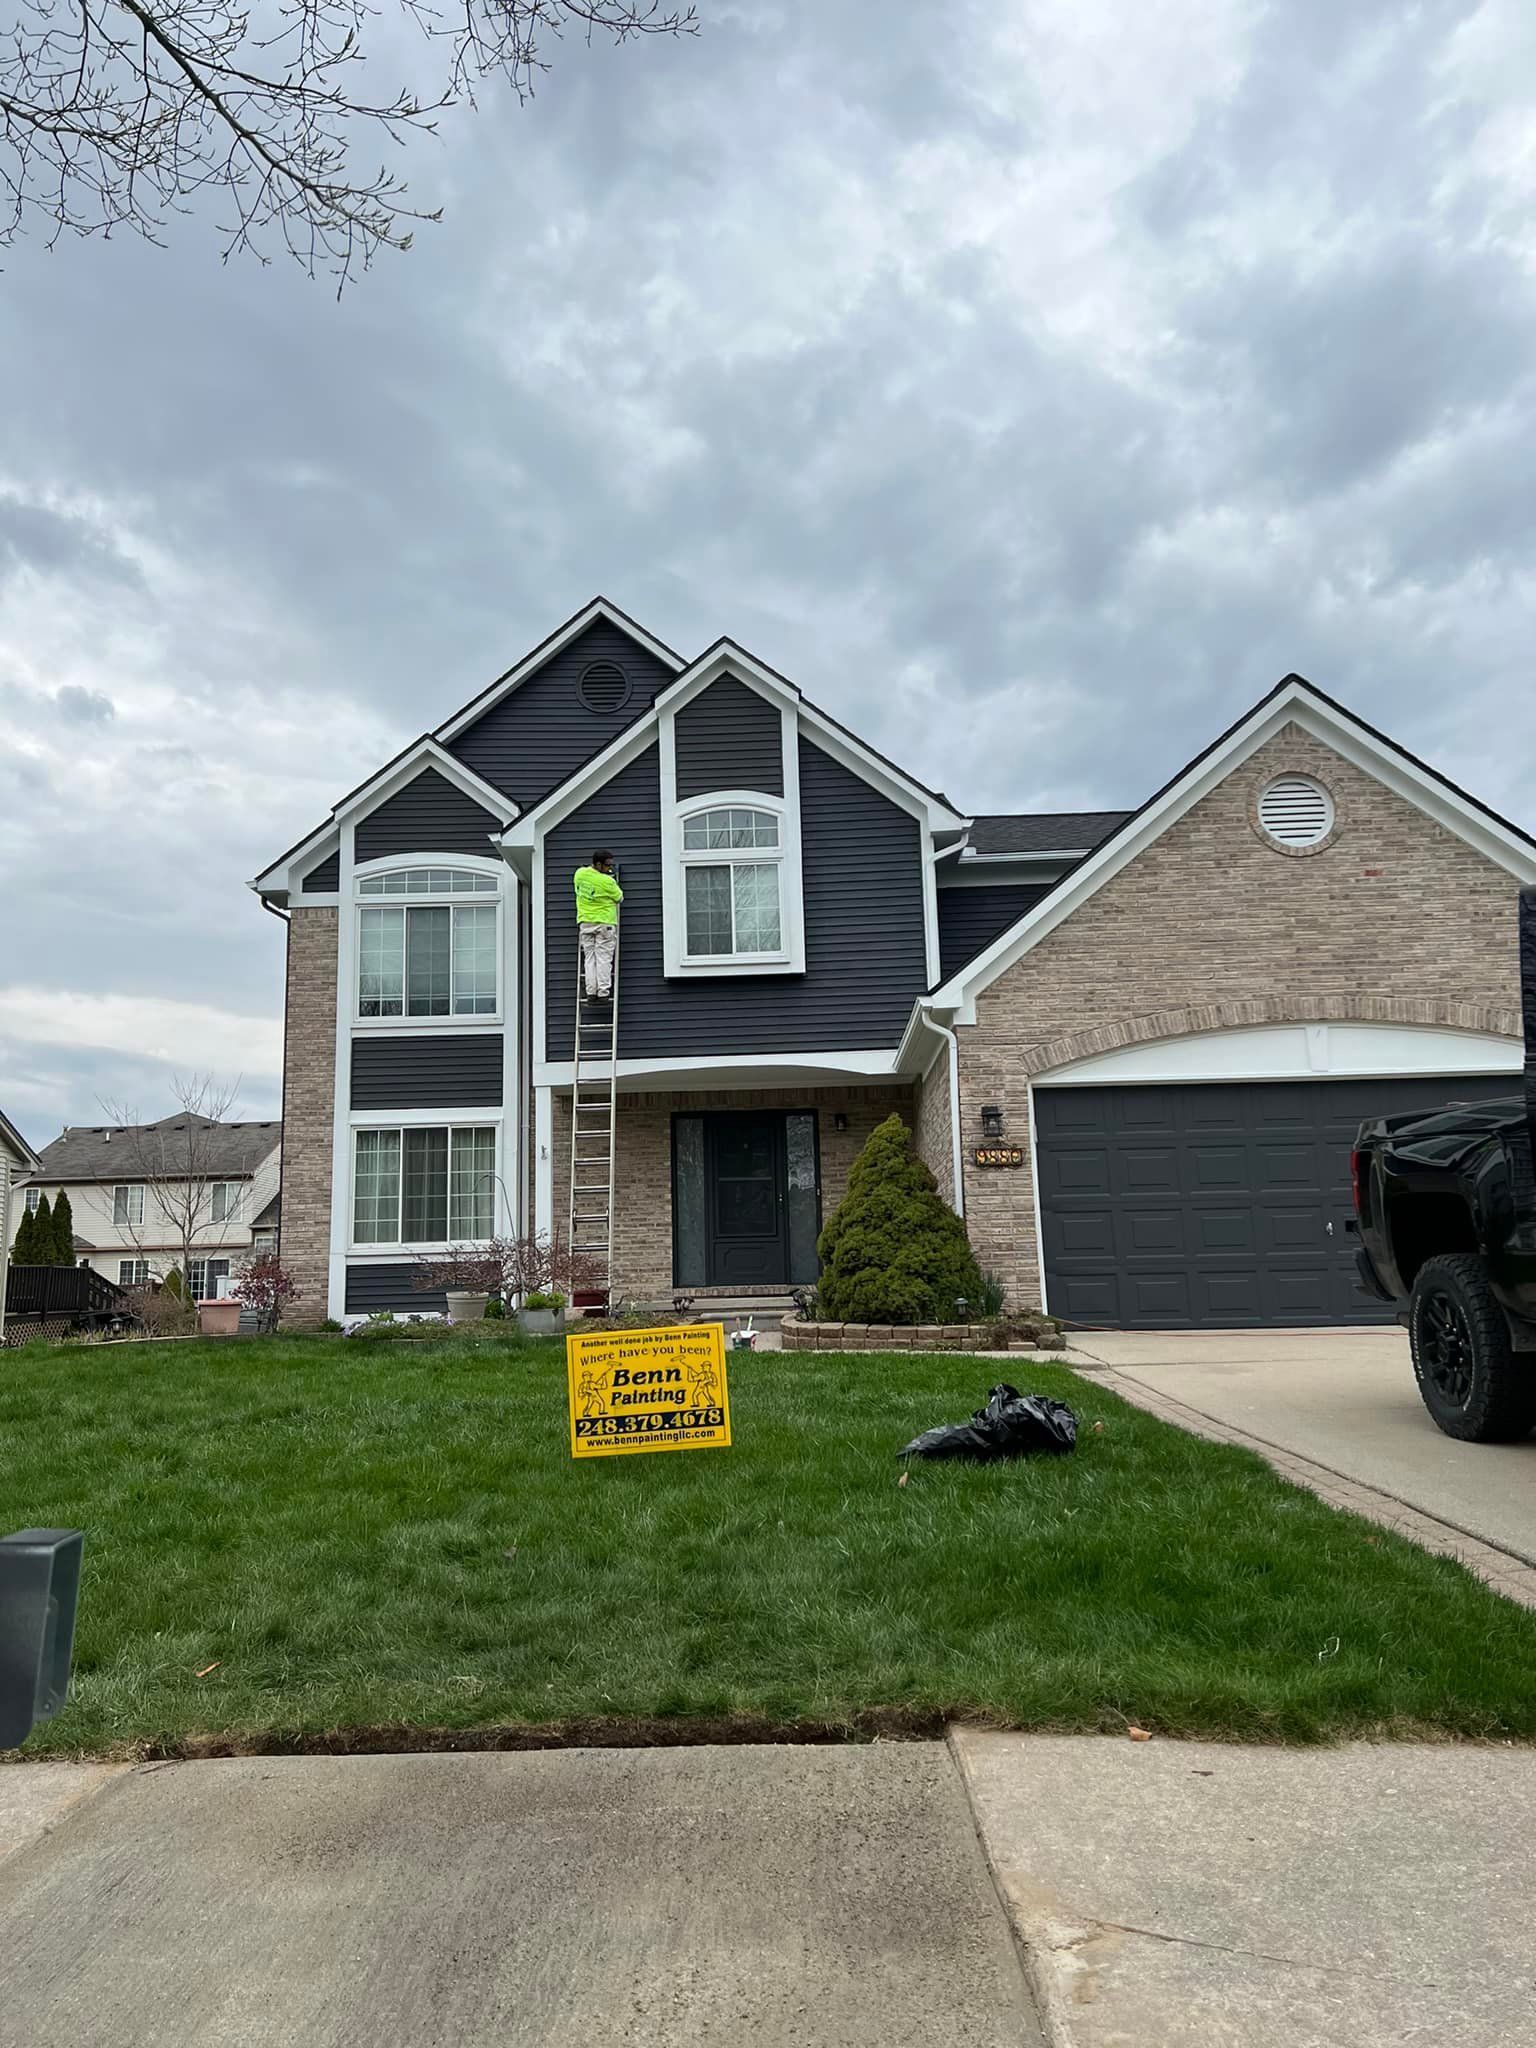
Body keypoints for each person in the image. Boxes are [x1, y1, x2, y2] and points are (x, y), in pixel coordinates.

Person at [574, 849, 623, 1000]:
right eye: (607, 866)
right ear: (598, 864)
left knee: (589, 958)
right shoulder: (608, 881)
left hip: (585, 923)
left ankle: (591, 992)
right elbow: (620, 898)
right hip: (604, 924)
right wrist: (609, 880)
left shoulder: (579, 874)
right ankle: (603, 992)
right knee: (603, 959)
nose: (609, 869)